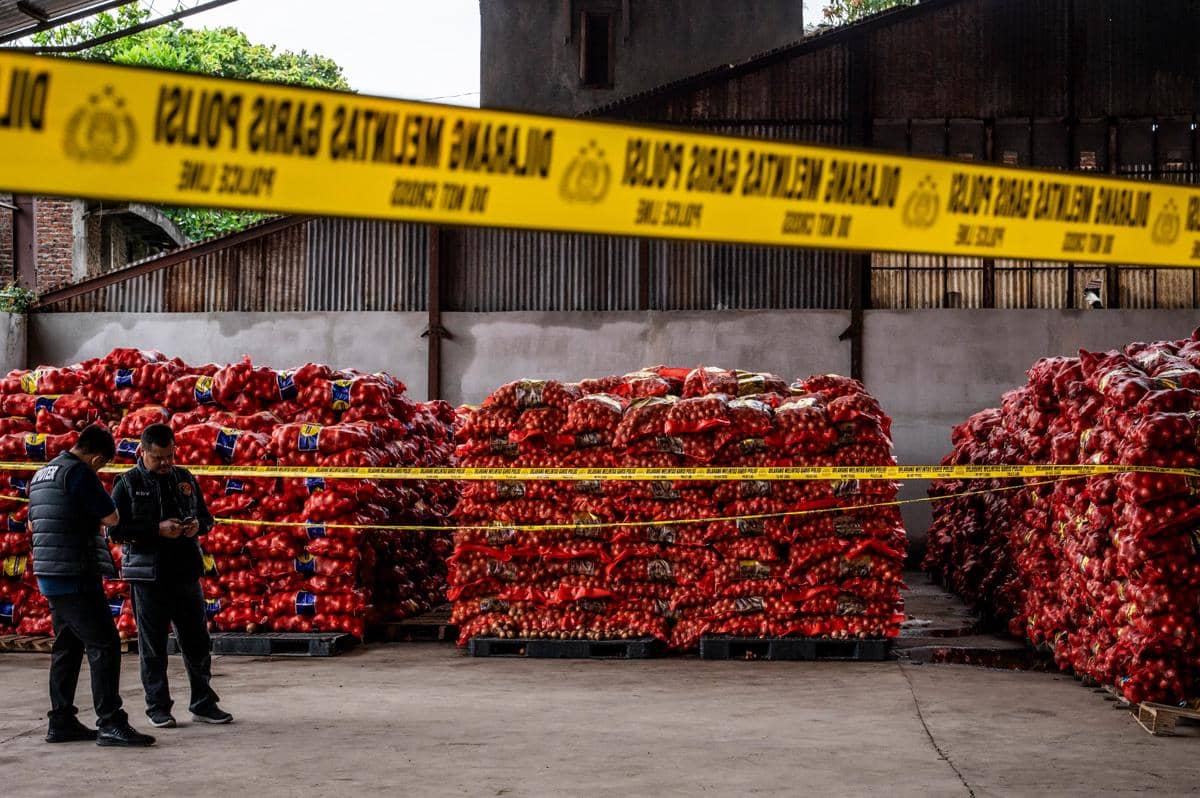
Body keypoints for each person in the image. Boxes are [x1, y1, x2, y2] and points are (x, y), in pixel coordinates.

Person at [29, 425, 155, 747]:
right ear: (96, 457)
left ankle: (61, 720)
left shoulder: (44, 473)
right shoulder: (79, 473)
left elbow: (34, 522)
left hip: (50, 573)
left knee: (68, 645)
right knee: (105, 644)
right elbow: (111, 516)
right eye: (101, 464)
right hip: (75, 573)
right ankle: (110, 722)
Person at [110, 423, 232, 728]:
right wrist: (156, 530)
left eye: (170, 456)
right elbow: (114, 532)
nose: (165, 463)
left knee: (197, 642)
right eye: (158, 458)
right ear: (143, 452)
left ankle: (203, 702)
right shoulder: (126, 483)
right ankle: (158, 707)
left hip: (186, 573)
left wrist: (197, 526)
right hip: (148, 577)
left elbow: (206, 517)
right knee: (153, 647)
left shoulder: (184, 478)